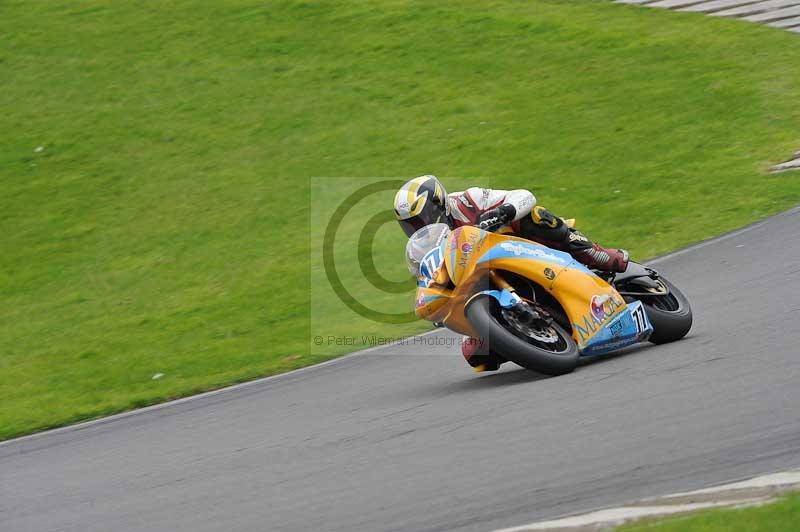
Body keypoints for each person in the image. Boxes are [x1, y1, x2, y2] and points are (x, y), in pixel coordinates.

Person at [394, 174, 629, 371]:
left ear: (439, 204)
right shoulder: (425, 252)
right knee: (477, 356)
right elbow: (434, 288)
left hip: (519, 247)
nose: (419, 227)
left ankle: (597, 254)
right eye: (410, 225)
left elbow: (525, 196)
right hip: (484, 285)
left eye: (421, 218)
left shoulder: (468, 201)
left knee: (537, 217)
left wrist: (506, 211)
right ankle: (533, 334)